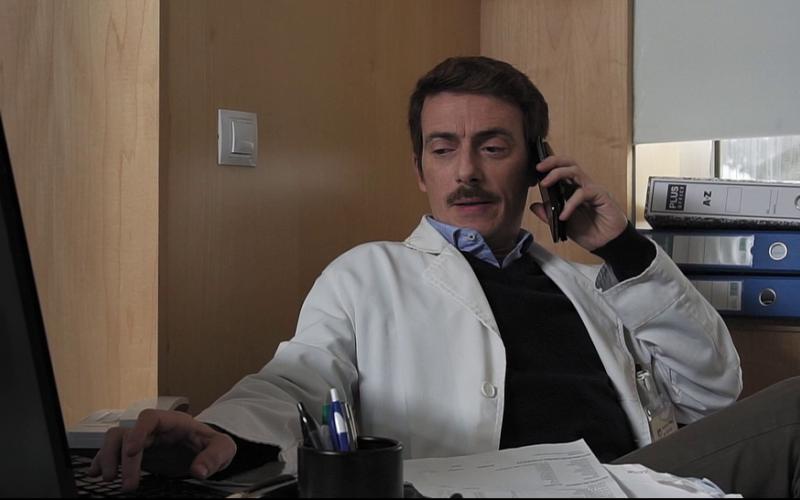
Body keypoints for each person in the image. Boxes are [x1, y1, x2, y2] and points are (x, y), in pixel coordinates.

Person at [89, 56, 799, 497]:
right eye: (443, 148)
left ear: (538, 165)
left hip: (628, 482)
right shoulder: (370, 274)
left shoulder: (591, 285)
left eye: (492, 147)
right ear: (420, 168)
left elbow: (712, 392)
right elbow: (296, 385)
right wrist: (218, 431)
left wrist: (625, 251)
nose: (466, 172)